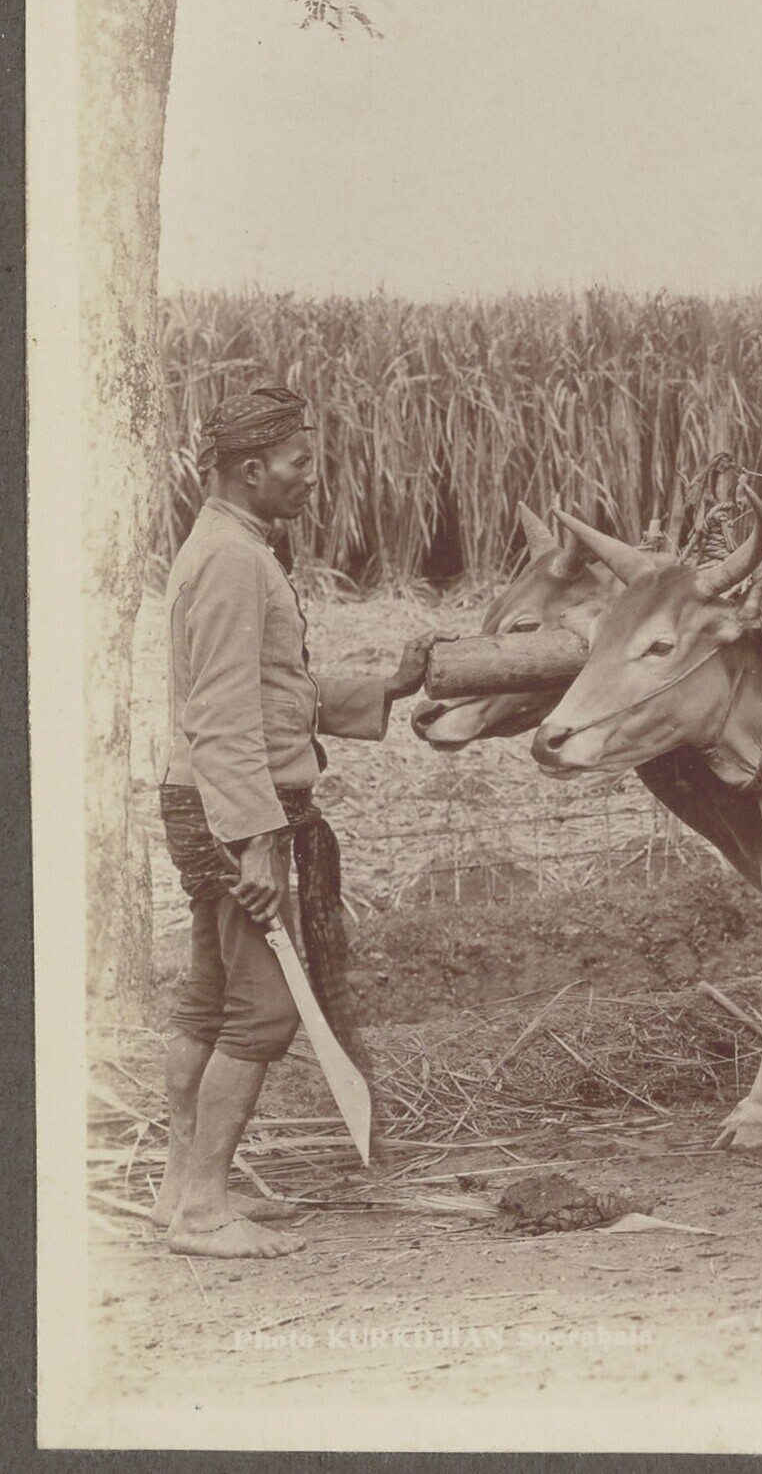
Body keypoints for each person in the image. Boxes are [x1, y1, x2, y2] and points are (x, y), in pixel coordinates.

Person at [152, 385, 431, 1258]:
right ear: (250, 469)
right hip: (234, 812)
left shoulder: (226, 545)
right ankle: (204, 1210)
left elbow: (273, 691)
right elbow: (225, 712)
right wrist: (260, 840)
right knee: (265, 1012)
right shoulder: (234, 560)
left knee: (209, 1001)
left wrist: (385, 688)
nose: (312, 476)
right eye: (299, 462)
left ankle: (178, 1189)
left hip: (207, 801)